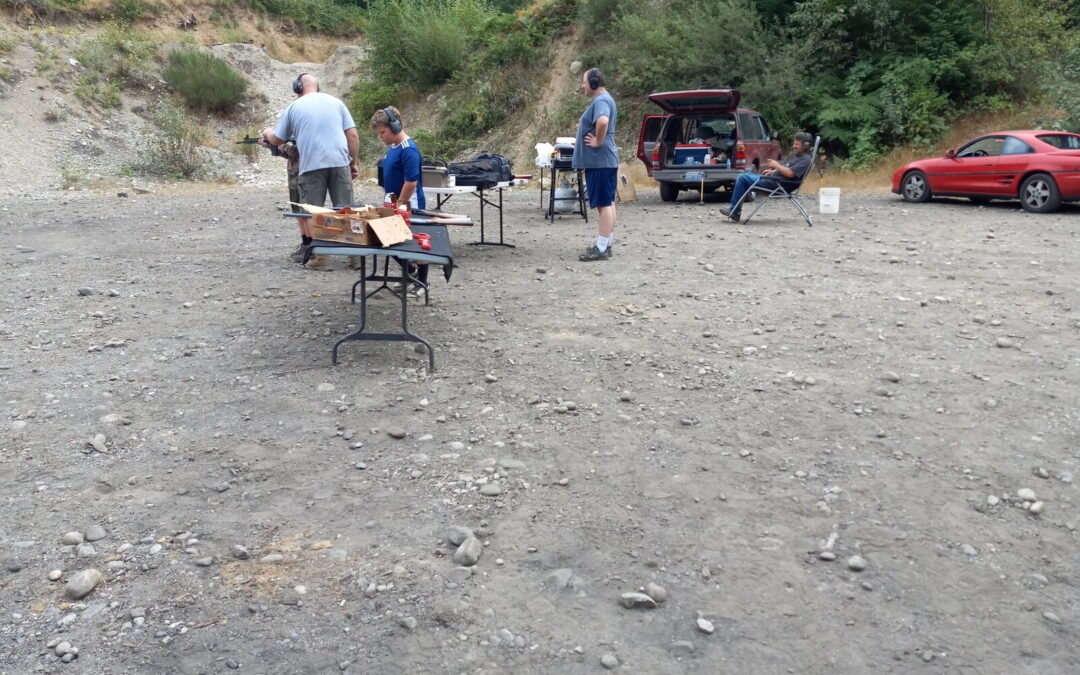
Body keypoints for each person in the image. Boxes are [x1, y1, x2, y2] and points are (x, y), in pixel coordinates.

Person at [262, 73, 359, 271]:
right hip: (340, 162)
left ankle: (320, 258)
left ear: (298, 87)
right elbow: (352, 135)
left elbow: (278, 139)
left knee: (314, 212)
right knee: (346, 210)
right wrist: (353, 162)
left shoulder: (294, 107)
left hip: (312, 165)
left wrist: (266, 132)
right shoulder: (337, 102)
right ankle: (356, 256)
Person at [370, 106, 429, 297]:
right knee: (387, 239)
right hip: (395, 203)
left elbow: (411, 182)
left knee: (417, 241)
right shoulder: (393, 149)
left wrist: (400, 204)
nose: (381, 136)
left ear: (394, 127)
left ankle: (421, 281)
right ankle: (410, 272)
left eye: (383, 132)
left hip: (409, 204)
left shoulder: (408, 149)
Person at [573, 67, 619, 262]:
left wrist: (598, 142)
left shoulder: (600, 101)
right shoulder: (605, 99)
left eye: (584, 82)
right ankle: (606, 244)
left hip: (600, 161)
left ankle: (600, 247)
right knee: (608, 202)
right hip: (604, 161)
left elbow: (602, 122)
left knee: (603, 204)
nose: (582, 86)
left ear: (593, 83)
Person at [721, 131, 814, 223]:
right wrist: (773, 171)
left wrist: (776, 165)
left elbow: (790, 173)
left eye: (797, 144)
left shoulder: (805, 160)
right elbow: (787, 169)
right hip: (775, 181)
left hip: (776, 185)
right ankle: (735, 212)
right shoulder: (799, 157)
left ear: (805, 146)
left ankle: (734, 211)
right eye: (794, 143)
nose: (794, 146)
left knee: (742, 178)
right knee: (746, 177)